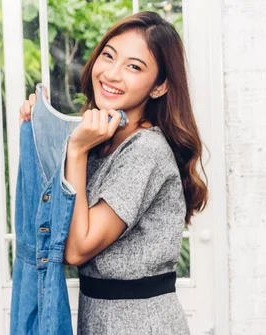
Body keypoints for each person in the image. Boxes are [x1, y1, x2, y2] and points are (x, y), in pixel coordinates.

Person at [19, 11, 208, 334]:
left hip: (141, 324)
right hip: (99, 320)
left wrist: (75, 152)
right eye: (108, 56)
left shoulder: (145, 151)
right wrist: (38, 127)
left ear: (159, 86)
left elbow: (77, 248)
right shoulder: (99, 140)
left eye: (134, 67)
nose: (112, 74)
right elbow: (50, 232)